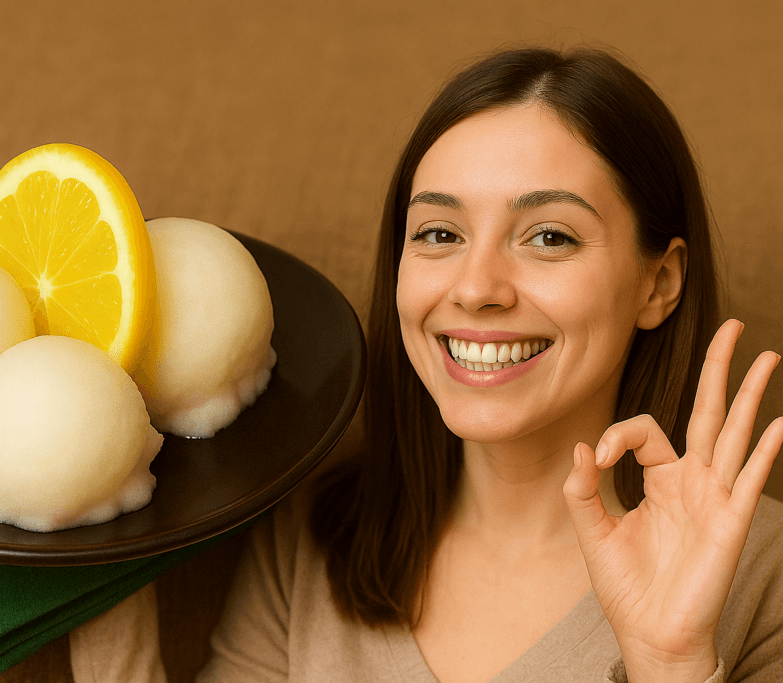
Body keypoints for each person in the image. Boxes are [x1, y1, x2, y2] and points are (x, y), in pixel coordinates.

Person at [70, 46, 783, 682]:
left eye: (549, 236)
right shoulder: (314, 534)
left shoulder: (761, 572)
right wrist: (100, 542)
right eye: (440, 232)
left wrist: (670, 664)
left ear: (658, 283)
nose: (475, 288)